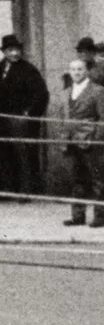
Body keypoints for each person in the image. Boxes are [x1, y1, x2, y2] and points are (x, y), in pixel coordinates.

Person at [0, 35, 49, 199]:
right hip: (1, 119)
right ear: (4, 52)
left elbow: (41, 94)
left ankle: (26, 191)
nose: (14, 53)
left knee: (25, 155)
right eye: (10, 50)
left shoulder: (29, 69)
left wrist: (29, 114)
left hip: (22, 121)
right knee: (5, 153)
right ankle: (8, 189)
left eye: (17, 50)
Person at [59, 53, 103, 228]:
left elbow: (102, 118)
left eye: (80, 69)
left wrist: (96, 139)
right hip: (70, 142)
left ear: (87, 71)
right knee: (76, 179)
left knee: (98, 179)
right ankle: (78, 215)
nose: (76, 72)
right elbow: (63, 118)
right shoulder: (66, 93)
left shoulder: (98, 91)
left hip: (90, 141)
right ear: (69, 72)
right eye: (73, 70)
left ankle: (100, 215)